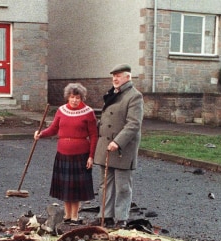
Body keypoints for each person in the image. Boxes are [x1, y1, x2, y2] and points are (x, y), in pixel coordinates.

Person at [34, 83, 98, 224]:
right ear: (68, 97)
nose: (75, 100)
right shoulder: (61, 111)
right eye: (72, 97)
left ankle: (75, 216)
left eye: (78, 97)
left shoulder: (88, 112)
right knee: (66, 186)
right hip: (63, 153)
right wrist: (41, 134)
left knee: (76, 187)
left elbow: (94, 135)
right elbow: (53, 129)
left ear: (82, 98)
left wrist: (91, 156)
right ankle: (67, 215)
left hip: (80, 155)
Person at [94, 63, 144, 228]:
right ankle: (106, 216)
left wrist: (118, 142)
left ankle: (121, 219)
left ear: (128, 77)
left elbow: (133, 124)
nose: (115, 79)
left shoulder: (134, 96)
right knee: (105, 185)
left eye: (118, 75)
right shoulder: (112, 94)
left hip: (122, 148)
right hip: (106, 147)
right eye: (113, 76)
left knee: (122, 186)